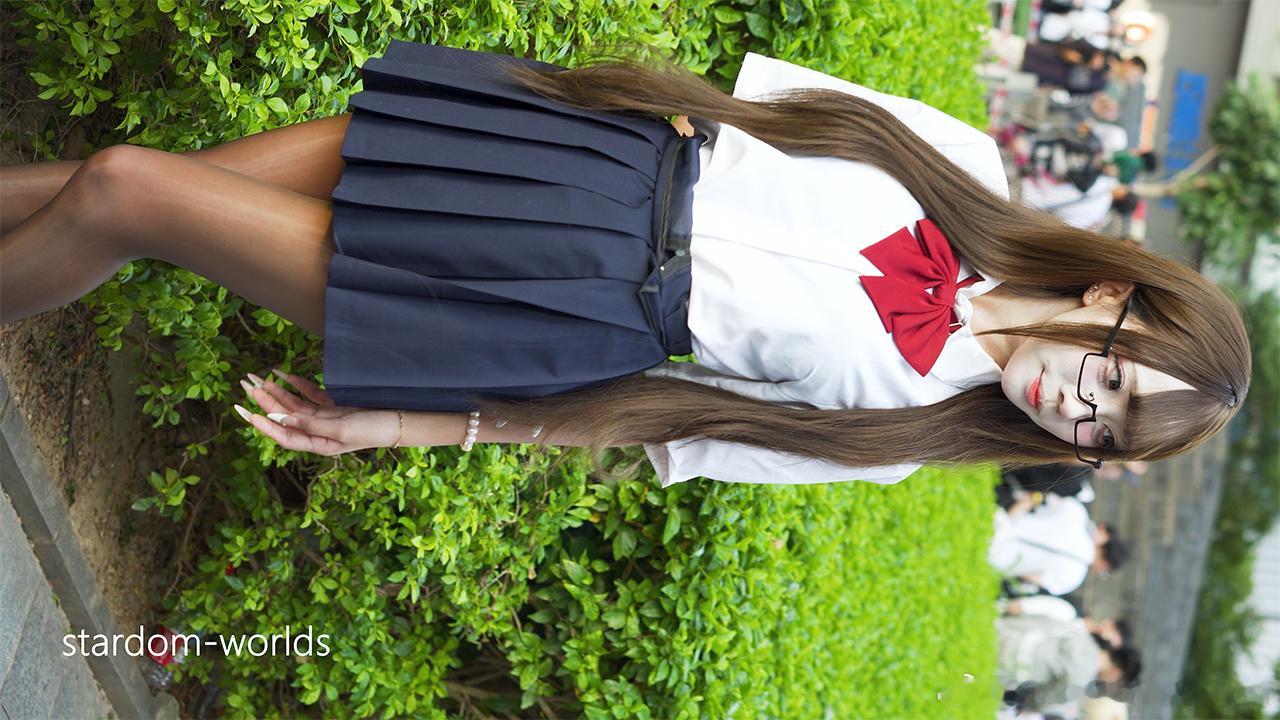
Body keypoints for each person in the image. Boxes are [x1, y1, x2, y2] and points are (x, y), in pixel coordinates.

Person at [0, 41, 1250, 489]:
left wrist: (406, 424)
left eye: (1101, 433)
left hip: (555, 301)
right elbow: (760, 114)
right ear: (1113, 299)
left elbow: (659, 417)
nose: (1077, 409)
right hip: (577, 161)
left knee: (128, 190)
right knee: (99, 186)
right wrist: (587, 98)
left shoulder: (903, 432)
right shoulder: (963, 160)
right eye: (1111, 379)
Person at [989, 493, 1127, 596]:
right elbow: (1032, 578)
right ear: (1105, 565)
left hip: (998, 521)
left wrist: (1007, 522)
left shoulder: (1078, 514)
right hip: (996, 559)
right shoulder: (1074, 578)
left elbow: (1035, 497)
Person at [997, 613, 1143, 711]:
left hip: (1010, 633)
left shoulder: (1082, 633)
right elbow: (1039, 700)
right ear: (1115, 673)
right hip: (1008, 668)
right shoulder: (1081, 683)